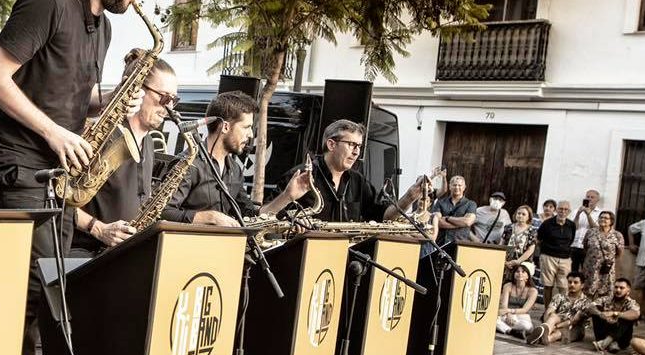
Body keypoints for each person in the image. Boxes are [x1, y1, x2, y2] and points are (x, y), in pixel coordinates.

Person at [0, 0, 161, 355]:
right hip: (17, 169)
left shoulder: (102, 27)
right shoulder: (49, 1)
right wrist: (53, 132)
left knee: (46, 296)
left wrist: (109, 100)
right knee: (24, 296)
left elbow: (66, 94)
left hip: (57, 179)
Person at [69, 56, 176, 257]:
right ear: (137, 90)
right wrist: (98, 228)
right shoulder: (101, 136)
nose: (169, 108)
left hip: (122, 256)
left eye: (174, 100)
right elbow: (59, 197)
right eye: (164, 98)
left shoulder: (149, 143)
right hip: (85, 255)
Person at [264, 118, 425, 224]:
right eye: (351, 144)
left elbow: (384, 216)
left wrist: (409, 197)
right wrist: (292, 221)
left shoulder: (358, 181)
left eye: (359, 146)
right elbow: (267, 218)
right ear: (331, 144)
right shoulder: (300, 176)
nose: (356, 152)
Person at [162, 91, 261, 225]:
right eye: (246, 127)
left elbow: (249, 213)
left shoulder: (235, 169)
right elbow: (163, 212)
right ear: (225, 127)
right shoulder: (188, 164)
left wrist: (285, 196)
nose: (250, 135)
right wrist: (210, 217)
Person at [527, 272, 590, 345]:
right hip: (556, 322)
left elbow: (573, 321)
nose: (572, 284)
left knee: (560, 332)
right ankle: (544, 331)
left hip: (574, 328)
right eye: (570, 282)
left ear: (582, 285)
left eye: (575, 282)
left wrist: (556, 326)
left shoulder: (586, 302)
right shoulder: (559, 296)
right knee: (553, 316)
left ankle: (544, 337)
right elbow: (548, 311)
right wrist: (549, 323)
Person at [536, 200, 575, 307]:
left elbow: (571, 240)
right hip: (548, 257)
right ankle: (547, 310)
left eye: (566, 209)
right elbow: (539, 239)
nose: (563, 211)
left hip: (565, 258)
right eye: (561, 209)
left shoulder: (571, 225)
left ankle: (561, 310)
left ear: (569, 211)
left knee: (564, 286)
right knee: (548, 285)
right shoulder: (547, 224)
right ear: (556, 210)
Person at [590, 277, 641, 353]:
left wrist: (615, 314)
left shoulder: (631, 303)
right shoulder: (607, 299)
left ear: (628, 291)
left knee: (627, 317)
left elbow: (636, 314)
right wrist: (601, 315)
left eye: (621, 288)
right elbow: (590, 306)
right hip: (603, 333)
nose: (618, 290)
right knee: (595, 312)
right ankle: (610, 344)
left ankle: (605, 343)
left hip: (622, 339)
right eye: (616, 287)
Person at [582, 210, 624, 301]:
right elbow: (585, 247)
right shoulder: (590, 232)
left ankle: (599, 309)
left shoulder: (617, 235)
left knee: (604, 294)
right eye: (601, 217)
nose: (602, 219)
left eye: (606, 218)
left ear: (611, 221)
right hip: (590, 269)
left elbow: (619, 253)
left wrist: (607, 260)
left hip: (606, 270)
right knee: (587, 293)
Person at [495, 261, 538, 338]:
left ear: (528, 276)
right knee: (494, 320)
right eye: (517, 271)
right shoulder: (508, 286)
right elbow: (504, 305)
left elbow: (525, 309)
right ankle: (511, 331)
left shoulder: (533, 291)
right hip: (506, 315)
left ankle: (505, 328)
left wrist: (509, 311)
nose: (520, 273)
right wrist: (508, 315)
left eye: (523, 272)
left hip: (521, 315)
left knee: (527, 326)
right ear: (514, 274)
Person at [431, 176, 478, 246]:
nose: (457, 187)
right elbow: (438, 222)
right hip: (441, 243)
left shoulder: (471, 204)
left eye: (459, 185)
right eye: (454, 185)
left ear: (464, 187)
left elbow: (468, 222)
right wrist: (461, 224)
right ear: (450, 187)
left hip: (461, 243)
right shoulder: (440, 202)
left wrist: (448, 218)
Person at [570, 188, 604, 273]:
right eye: (588, 197)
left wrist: (588, 215)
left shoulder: (601, 213)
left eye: (592, 197)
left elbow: (596, 229)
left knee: (586, 272)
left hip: (588, 247)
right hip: (574, 245)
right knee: (572, 271)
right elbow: (573, 227)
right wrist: (578, 214)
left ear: (597, 200)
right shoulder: (576, 211)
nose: (589, 199)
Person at [503, 204, 537, 283]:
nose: (520, 215)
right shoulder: (508, 227)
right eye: (519, 213)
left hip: (522, 263)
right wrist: (504, 261)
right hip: (506, 262)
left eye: (523, 214)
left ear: (528, 217)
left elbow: (530, 249)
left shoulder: (532, 231)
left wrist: (518, 261)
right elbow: (502, 244)